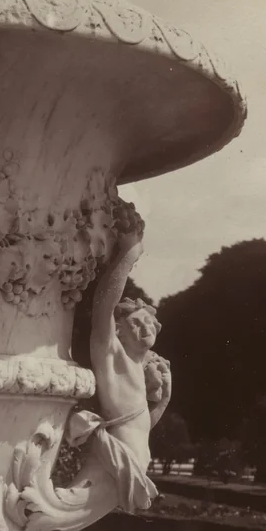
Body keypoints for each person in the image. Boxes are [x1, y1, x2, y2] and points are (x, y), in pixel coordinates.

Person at [67, 219, 171, 511]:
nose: (146, 327)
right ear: (119, 332)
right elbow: (104, 305)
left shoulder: (140, 368)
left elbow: (139, 427)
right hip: (112, 465)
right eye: (136, 323)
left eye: (149, 322)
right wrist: (129, 253)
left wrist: (162, 402)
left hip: (130, 463)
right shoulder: (111, 354)